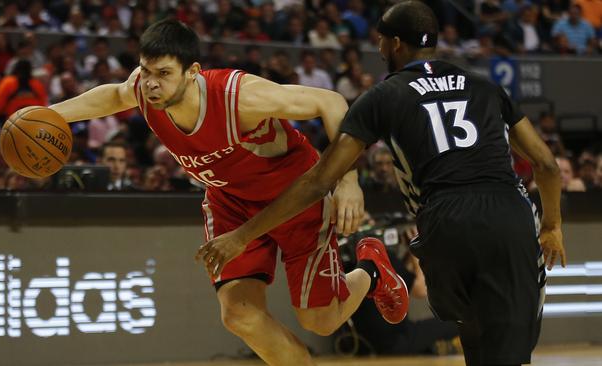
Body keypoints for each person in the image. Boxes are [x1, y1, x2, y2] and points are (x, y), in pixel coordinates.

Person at [199, 2, 566, 366]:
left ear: (393, 44)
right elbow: (546, 165)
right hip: (507, 213)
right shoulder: (485, 86)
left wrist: (244, 234)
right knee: (509, 351)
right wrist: (552, 226)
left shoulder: (384, 95)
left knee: (476, 340)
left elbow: (316, 181)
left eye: (380, 42)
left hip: (444, 221)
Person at [48, 19, 408, 366]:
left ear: (192, 72)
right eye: (145, 71)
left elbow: (330, 102)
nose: (151, 83)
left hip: (295, 196)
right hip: (231, 201)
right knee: (238, 315)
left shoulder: (240, 96)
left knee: (320, 320)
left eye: (163, 73)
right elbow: (111, 96)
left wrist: (347, 180)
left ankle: (372, 268)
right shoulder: (144, 91)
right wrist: (46, 116)